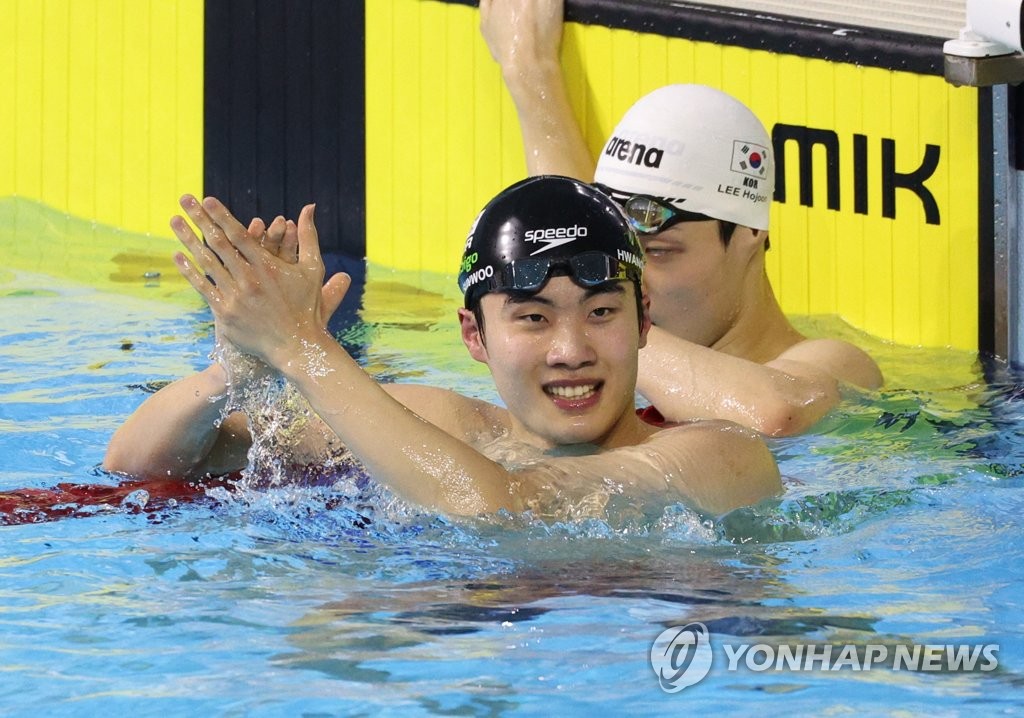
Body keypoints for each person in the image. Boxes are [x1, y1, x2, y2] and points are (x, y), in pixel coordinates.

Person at [103, 176, 780, 516]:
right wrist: (241, 365)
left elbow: (502, 512)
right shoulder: (440, 422)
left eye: (601, 312)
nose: (570, 349)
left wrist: (305, 349)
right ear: (473, 337)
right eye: (534, 319)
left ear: (644, 322)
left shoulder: (721, 456)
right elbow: (138, 463)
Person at [479, 0, 883, 437]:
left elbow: (772, 415)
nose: (629, 284)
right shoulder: (608, 381)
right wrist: (529, 68)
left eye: (658, 252)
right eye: (617, 260)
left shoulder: (838, 364)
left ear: (750, 231)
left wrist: (606, 335)